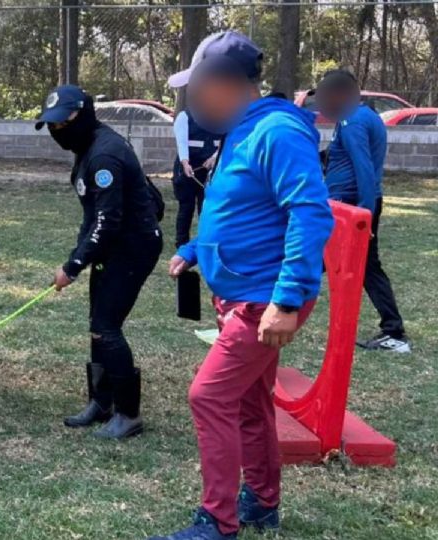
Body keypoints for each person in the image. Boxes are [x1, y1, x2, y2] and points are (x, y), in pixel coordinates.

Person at [153, 31, 334, 540]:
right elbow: (242, 209)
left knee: (208, 396)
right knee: (251, 402)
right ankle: (262, 502)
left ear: (227, 82)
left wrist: (287, 299)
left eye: (199, 86)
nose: (194, 99)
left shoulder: (278, 132)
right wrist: (196, 249)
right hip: (241, 295)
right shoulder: (243, 132)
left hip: (262, 300)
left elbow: (310, 213)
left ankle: (218, 521)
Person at [37, 85, 163, 440]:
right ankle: (101, 401)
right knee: (97, 323)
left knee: (107, 326)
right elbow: (92, 217)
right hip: (112, 246)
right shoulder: (88, 147)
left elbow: (108, 222)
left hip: (133, 247)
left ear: (84, 115)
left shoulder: (104, 156)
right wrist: (78, 255)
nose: (57, 131)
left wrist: (73, 266)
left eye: (63, 123)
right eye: (52, 125)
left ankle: (128, 414)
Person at [315, 69, 411, 353]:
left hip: (351, 206)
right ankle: (393, 330)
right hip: (349, 204)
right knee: (349, 263)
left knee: (321, 257)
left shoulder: (353, 121)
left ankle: (395, 332)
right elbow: (342, 156)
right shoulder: (362, 116)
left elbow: (364, 169)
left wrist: (364, 216)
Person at [172, 109, 219, 247]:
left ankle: (205, 242)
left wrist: (214, 158)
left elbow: (226, 139)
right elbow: (182, 142)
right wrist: (185, 163)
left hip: (210, 169)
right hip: (187, 169)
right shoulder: (185, 116)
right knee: (186, 207)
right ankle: (182, 244)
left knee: (205, 208)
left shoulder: (221, 117)